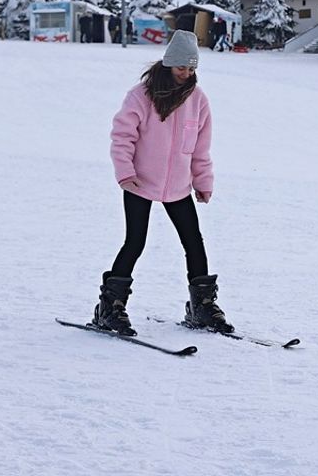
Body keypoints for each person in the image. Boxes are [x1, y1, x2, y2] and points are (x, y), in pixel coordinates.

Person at [91, 30, 234, 337]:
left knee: (193, 241)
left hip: (179, 185)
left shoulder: (198, 100)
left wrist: (203, 181)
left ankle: (203, 306)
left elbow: (200, 147)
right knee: (135, 241)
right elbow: (122, 137)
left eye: (192, 68)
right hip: (139, 182)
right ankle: (110, 307)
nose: (187, 73)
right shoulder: (141, 95)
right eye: (182, 67)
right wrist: (125, 172)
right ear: (169, 63)